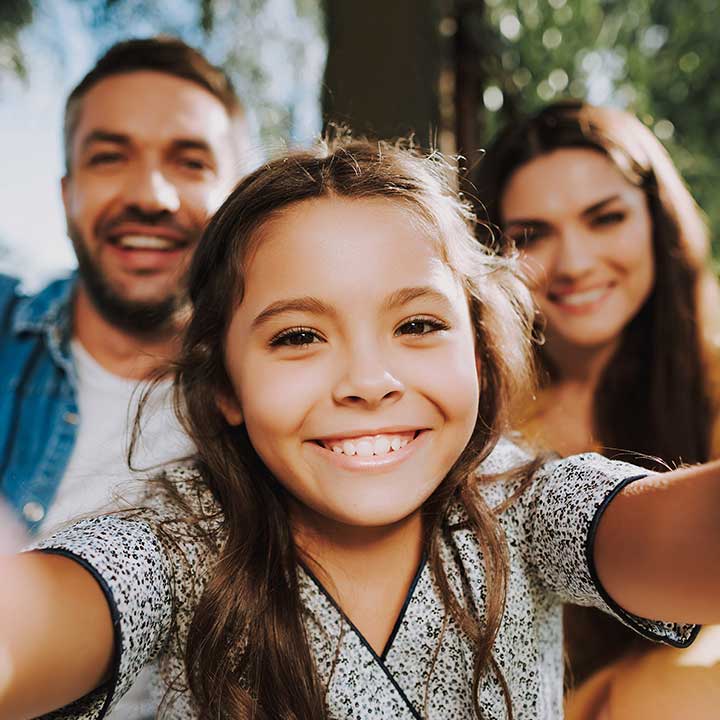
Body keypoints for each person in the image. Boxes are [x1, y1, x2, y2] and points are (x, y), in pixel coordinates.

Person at [1, 137, 719, 720]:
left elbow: (684, 537)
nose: (369, 381)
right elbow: (42, 627)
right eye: (298, 337)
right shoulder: (178, 542)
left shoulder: (530, 507)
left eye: (417, 324)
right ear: (225, 386)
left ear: (477, 348)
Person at [474, 101, 720, 718]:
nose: (575, 263)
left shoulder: (713, 379)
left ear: (657, 223)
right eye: (532, 235)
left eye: (604, 218)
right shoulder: (475, 416)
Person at [0, 36, 249, 535]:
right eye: (111, 157)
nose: (150, 197)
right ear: (67, 195)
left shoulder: (286, 389)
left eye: (190, 162)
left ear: (237, 198)